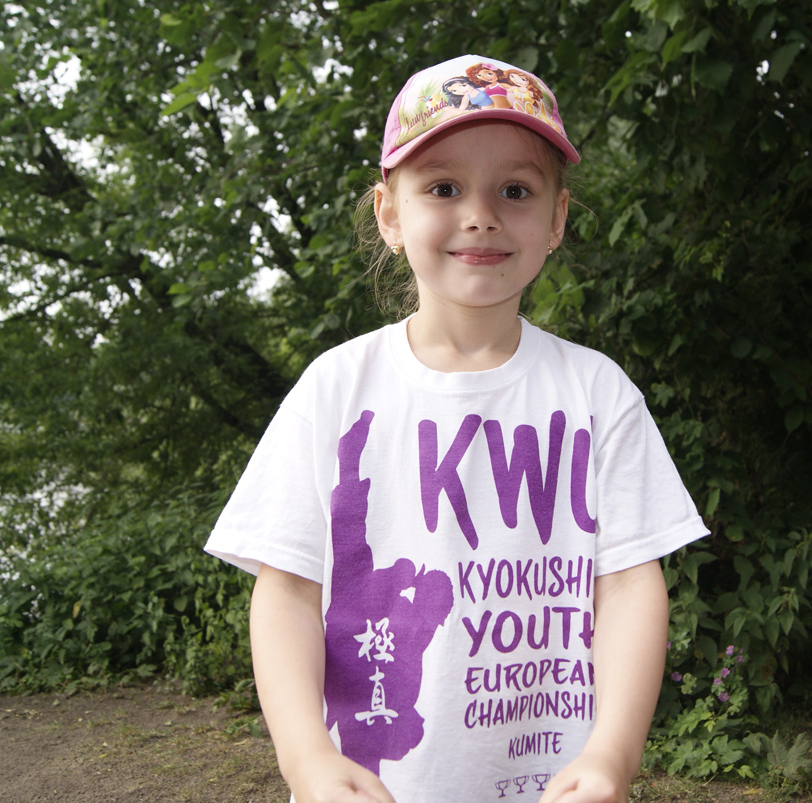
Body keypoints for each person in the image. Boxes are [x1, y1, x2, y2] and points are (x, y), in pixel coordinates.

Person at [205, 53, 709, 803]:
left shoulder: (598, 393)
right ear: (389, 214)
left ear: (557, 219)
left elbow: (632, 585)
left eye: (516, 190)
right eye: (444, 187)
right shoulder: (335, 391)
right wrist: (306, 760)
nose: (481, 214)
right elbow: (287, 592)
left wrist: (612, 755)